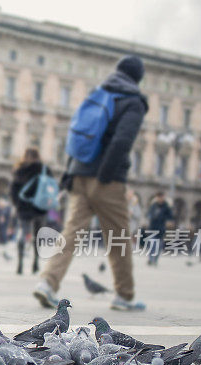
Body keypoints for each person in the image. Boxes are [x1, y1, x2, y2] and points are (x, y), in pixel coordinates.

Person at [34, 55, 149, 311]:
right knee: (118, 236)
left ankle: (47, 283)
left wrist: (69, 171)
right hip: (106, 179)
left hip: (78, 173)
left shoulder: (99, 94)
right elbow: (122, 141)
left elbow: (77, 134)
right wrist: (106, 175)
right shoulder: (133, 102)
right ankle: (124, 295)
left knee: (71, 232)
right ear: (138, 78)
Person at [10, 148, 52, 275]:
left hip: (24, 207)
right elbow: (52, 187)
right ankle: (35, 262)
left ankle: (20, 264)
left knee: (23, 234)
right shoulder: (44, 169)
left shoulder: (20, 169)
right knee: (38, 236)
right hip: (40, 207)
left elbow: (13, 189)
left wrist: (17, 204)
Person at [145, 191, 174, 266]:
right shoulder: (153, 205)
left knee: (158, 246)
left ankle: (155, 259)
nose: (159, 199)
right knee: (152, 244)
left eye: (161, 197)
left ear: (163, 197)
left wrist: (168, 221)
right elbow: (148, 214)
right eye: (158, 197)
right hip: (152, 228)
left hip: (161, 229)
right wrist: (149, 218)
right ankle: (151, 259)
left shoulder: (166, 207)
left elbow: (170, 217)